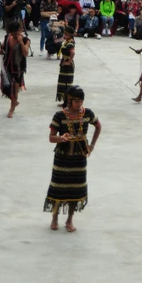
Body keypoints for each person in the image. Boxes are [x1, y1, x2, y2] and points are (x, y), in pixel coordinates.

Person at [44, 86, 102, 231]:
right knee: (58, 188)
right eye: (76, 101)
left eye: (81, 101)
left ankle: (70, 220)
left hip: (79, 158)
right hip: (62, 157)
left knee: (75, 190)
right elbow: (51, 138)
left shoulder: (87, 113)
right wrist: (61, 138)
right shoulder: (59, 116)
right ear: (69, 100)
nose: (79, 104)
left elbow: (98, 126)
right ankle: (55, 217)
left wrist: (92, 145)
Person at [0, 21, 30, 118]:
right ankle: (14, 101)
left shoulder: (26, 40)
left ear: (20, 30)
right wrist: (1, 50)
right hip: (6, 66)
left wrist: (21, 42)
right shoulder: (7, 37)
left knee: (14, 89)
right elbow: (3, 48)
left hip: (18, 68)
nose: (14, 35)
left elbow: (25, 53)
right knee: (5, 88)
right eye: (13, 33)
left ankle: (11, 109)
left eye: (16, 33)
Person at [56, 26, 76, 102]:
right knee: (63, 83)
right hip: (64, 63)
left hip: (68, 66)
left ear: (69, 35)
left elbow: (73, 52)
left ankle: (67, 102)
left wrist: (69, 61)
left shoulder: (70, 42)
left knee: (66, 83)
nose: (64, 35)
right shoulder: (67, 41)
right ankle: (65, 101)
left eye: (66, 34)